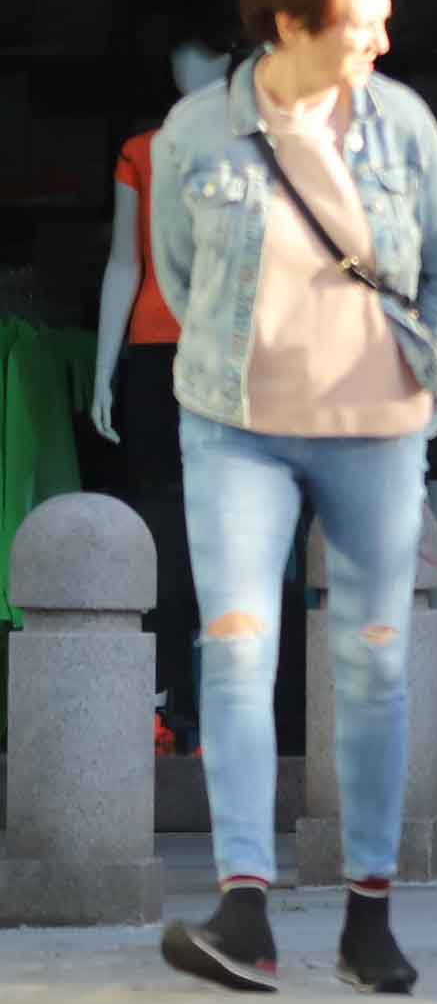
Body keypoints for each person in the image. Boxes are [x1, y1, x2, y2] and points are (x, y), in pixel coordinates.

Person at [149, 0, 437, 999]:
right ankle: (243, 908)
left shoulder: (402, 121)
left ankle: (367, 917)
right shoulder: (196, 132)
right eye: (361, 24)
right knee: (236, 652)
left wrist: (417, 382)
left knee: (375, 663)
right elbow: (179, 271)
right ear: (291, 23)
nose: (382, 42)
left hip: (377, 430)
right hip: (234, 427)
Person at [92, 39, 231, 757]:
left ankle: (215, 707)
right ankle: (169, 705)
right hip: (153, 359)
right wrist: (103, 369)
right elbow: (123, 263)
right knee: (161, 531)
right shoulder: (140, 153)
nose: (191, 68)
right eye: (181, 54)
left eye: (204, 53)